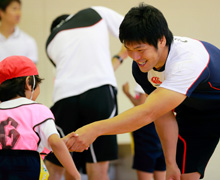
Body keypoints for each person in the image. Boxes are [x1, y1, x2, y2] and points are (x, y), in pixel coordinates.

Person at [65, 3, 220, 180]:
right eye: (129, 50)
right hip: (195, 113)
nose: (135, 57)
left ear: (161, 40)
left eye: (140, 50)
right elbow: (161, 114)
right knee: (183, 176)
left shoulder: (187, 62)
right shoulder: (142, 68)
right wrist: (170, 163)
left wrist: (94, 129)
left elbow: (147, 113)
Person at [44, 6, 128, 180]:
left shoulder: (50, 43)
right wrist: (120, 56)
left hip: (64, 97)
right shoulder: (95, 12)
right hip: (98, 91)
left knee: (60, 163)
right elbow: (134, 28)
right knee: (97, 165)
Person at [0, 56, 80, 180]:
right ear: (28, 82)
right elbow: (54, 142)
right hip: (28, 168)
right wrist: (75, 174)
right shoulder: (39, 110)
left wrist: (61, 142)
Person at [122, 82, 166, 180]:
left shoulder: (144, 78)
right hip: (161, 126)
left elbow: (142, 107)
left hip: (146, 131)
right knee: (160, 169)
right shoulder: (161, 78)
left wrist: (127, 94)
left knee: (146, 170)